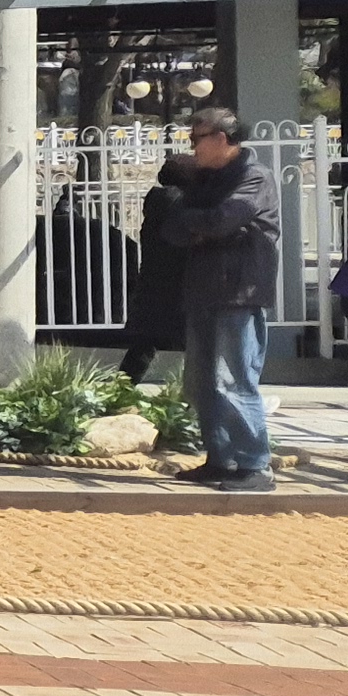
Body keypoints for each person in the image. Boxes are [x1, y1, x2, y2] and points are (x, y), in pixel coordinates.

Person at [164, 104, 280, 489]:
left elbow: (223, 219)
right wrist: (205, 227)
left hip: (239, 292)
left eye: (197, 138)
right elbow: (173, 228)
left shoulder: (255, 176)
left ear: (220, 138)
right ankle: (221, 459)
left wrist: (206, 227)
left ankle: (254, 466)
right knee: (202, 382)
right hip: (202, 290)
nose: (192, 146)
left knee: (233, 379)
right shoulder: (204, 181)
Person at [120, 158, 186, 386]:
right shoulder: (177, 202)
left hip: (153, 285)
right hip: (176, 286)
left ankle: (119, 392)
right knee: (197, 345)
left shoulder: (159, 202)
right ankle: (192, 397)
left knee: (142, 347)